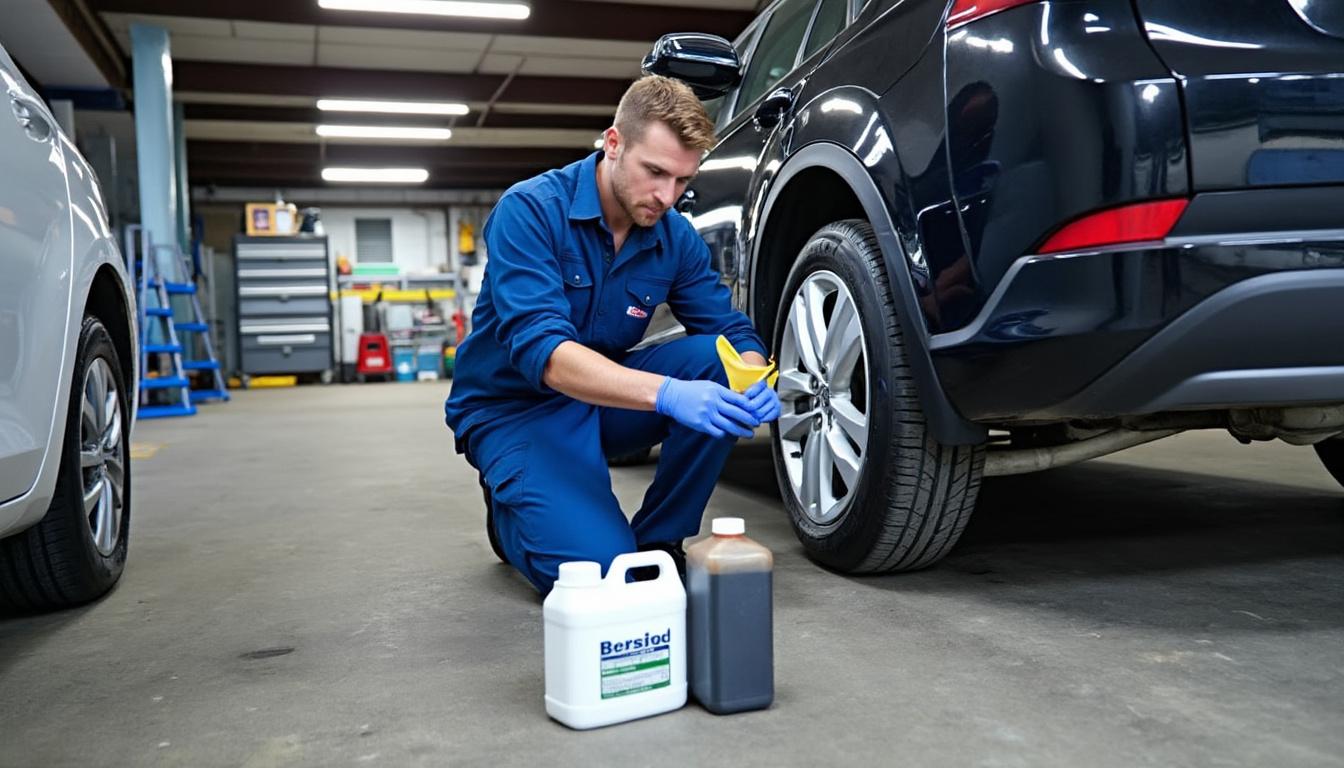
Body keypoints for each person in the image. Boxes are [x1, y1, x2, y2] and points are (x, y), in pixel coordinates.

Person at [444, 75, 780, 595]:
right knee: (599, 578)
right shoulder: (530, 212)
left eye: (683, 182)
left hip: (601, 402)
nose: (667, 196)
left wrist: (754, 376)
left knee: (718, 362)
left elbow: (729, 329)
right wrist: (668, 394)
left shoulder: (674, 237)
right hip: (516, 410)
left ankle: (659, 541)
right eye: (655, 173)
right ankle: (509, 513)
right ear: (614, 143)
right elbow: (547, 355)